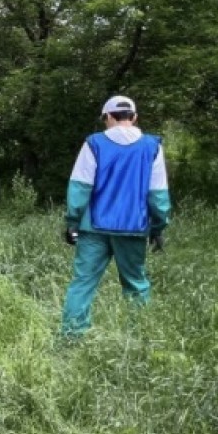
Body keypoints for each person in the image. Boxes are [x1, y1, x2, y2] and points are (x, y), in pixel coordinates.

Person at [61, 95, 170, 337]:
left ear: (108, 117)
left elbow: (80, 186)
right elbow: (158, 194)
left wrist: (72, 222)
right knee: (136, 285)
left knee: (83, 284)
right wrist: (158, 227)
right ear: (134, 117)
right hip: (133, 227)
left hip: (93, 229)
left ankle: (72, 337)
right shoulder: (153, 146)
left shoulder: (94, 143)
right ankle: (138, 338)